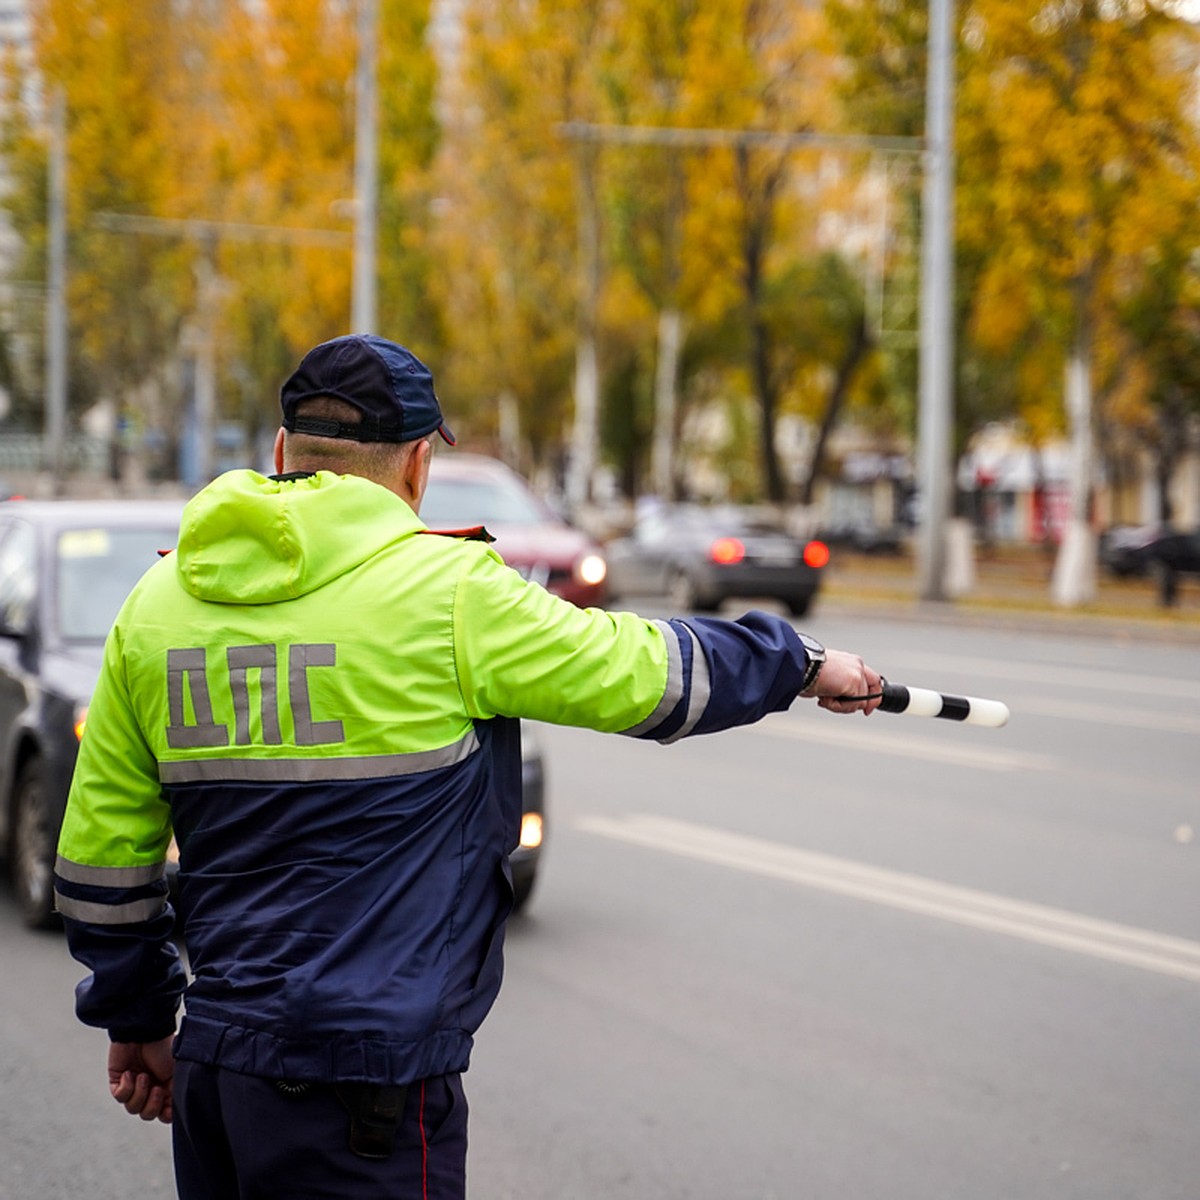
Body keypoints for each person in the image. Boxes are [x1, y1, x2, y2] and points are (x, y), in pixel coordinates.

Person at [55, 333, 883, 1200]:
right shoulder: (448, 592)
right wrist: (796, 660)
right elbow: (647, 674)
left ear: (280, 451)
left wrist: (137, 1013)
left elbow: (101, 857)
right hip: (365, 1087)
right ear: (417, 464)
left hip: (216, 1074)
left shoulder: (155, 605)